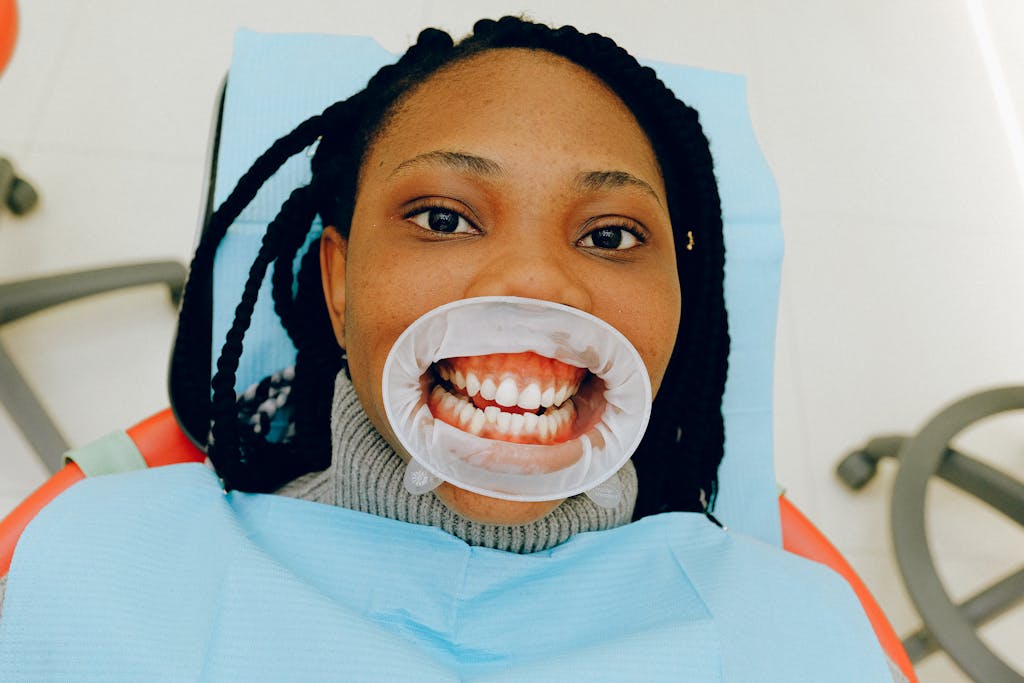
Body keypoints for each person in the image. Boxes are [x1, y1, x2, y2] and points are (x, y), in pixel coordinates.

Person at [0, 17, 902, 681]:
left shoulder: (806, 645)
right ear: (339, 279)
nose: (536, 283)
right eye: (443, 217)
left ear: (682, 302)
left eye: (613, 235)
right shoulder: (85, 573)